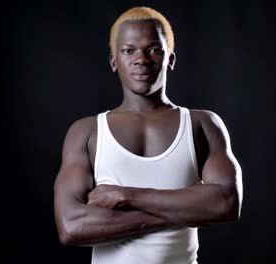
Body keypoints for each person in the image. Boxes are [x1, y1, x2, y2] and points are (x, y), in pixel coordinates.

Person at [53, 6, 243, 264]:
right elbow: (72, 227)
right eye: (128, 50)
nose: (141, 59)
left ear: (170, 59)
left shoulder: (203, 124)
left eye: (153, 50)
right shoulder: (86, 132)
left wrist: (127, 196)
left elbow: (226, 204)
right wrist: (184, 211)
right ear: (113, 61)